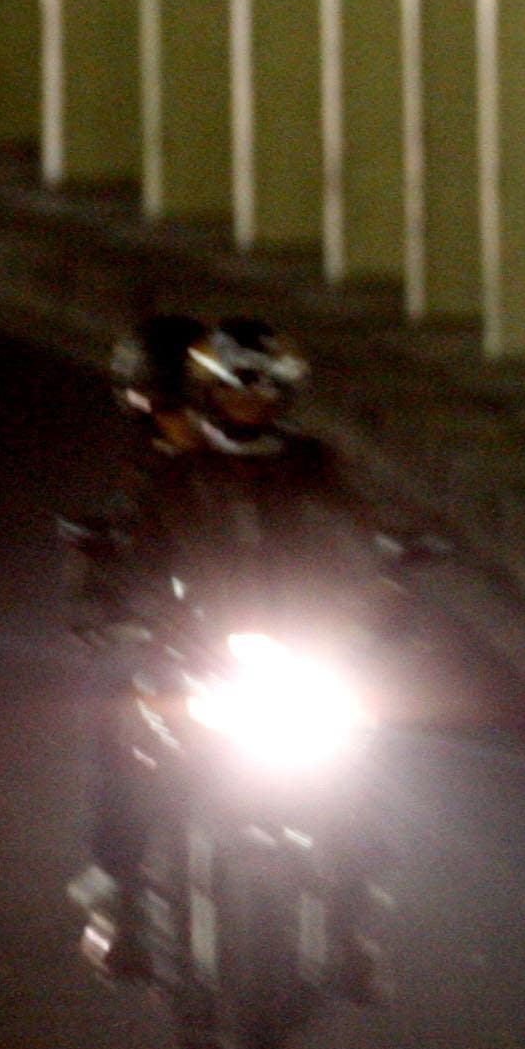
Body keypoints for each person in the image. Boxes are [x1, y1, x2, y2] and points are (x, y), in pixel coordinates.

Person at [69, 316, 382, 987]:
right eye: (235, 392)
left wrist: (384, 588)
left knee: (361, 756)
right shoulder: (170, 473)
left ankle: (353, 919)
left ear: (283, 398)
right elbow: (123, 551)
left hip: (301, 653)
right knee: (129, 740)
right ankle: (118, 894)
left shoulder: (314, 467)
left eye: (262, 394)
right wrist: (111, 604)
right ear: (209, 395)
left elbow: (365, 548)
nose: (249, 406)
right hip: (193, 653)